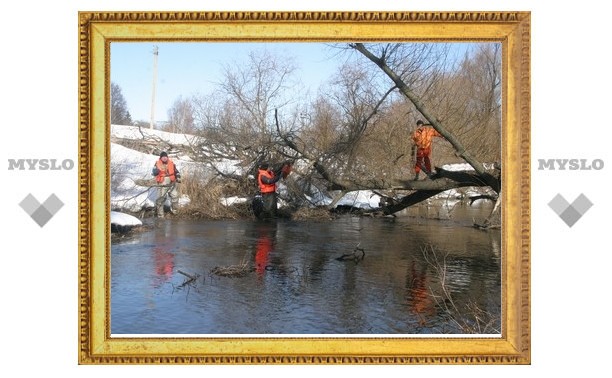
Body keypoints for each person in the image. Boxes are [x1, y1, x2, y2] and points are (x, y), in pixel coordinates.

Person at [151, 151, 181, 218]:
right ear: (161, 158)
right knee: (161, 199)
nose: (164, 158)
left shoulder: (171, 163)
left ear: (167, 157)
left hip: (171, 182)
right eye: (163, 157)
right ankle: (160, 215)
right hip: (162, 182)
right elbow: (153, 172)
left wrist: (178, 176)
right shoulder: (157, 164)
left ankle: (175, 211)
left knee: (175, 196)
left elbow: (176, 171)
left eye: (165, 157)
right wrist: (156, 171)